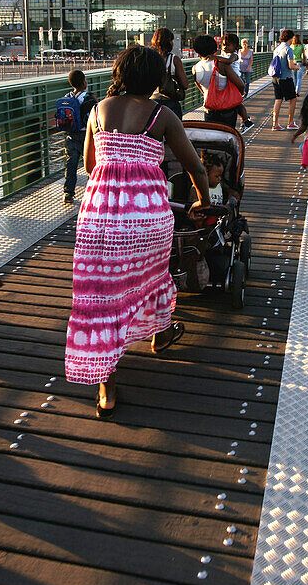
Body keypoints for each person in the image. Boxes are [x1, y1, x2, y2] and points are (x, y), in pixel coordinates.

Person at [67, 45, 209, 418]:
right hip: (146, 218)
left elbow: (87, 164)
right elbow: (195, 166)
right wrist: (202, 200)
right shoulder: (161, 115)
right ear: (154, 78)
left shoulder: (97, 111)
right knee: (152, 276)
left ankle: (106, 387)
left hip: (99, 215)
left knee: (101, 296)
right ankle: (159, 335)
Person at [192, 35, 245, 128]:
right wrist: (240, 94)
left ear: (197, 51)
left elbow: (200, 87)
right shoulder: (221, 65)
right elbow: (240, 85)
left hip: (209, 108)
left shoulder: (195, 68)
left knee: (212, 137)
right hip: (227, 109)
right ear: (214, 48)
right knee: (228, 137)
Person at [61, 69, 97, 204]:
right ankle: (91, 194)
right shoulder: (88, 98)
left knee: (71, 164)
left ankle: (68, 193)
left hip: (70, 136)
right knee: (91, 164)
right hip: (85, 136)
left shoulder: (67, 97)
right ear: (84, 83)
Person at [149, 28, 188, 120]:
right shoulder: (174, 59)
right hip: (170, 103)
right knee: (174, 131)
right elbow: (185, 84)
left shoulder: (148, 58)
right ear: (169, 42)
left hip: (151, 102)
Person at [220, 33, 254, 129]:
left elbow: (228, 62)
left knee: (237, 102)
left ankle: (246, 119)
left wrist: (214, 57)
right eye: (223, 45)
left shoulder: (234, 55)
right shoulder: (224, 54)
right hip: (230, 80)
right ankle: (246, 120)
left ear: (235, 46)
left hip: (236, 80)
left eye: (228, 45)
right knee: (236, 103)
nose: (225, 47)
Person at [269, 29, 300, 130]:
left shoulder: (277, 49)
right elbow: (290, 65)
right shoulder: (289, 49)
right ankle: (290, 122)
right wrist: (297, 67)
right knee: (293, 99)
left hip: (276, 77)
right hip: (286, 78)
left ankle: (275, 124)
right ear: (290, 38)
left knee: (278, 99)